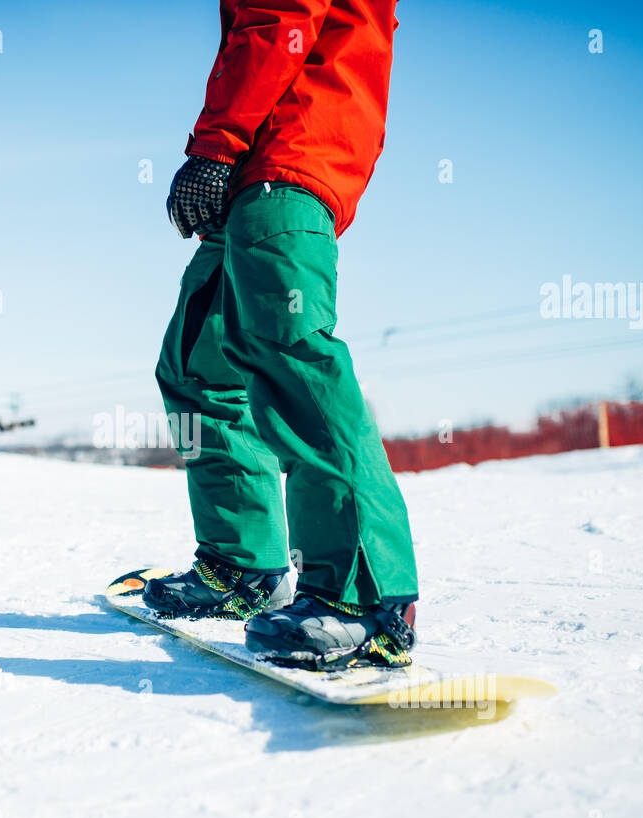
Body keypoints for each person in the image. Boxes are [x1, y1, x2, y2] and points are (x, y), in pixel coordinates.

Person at [145, 0, 420, 671]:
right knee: (192, 365)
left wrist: (215, 144)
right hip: (251, 170)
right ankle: (243, 566)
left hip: (290, 154)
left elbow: (278, 18)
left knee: (291, 353)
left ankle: (363, 597)